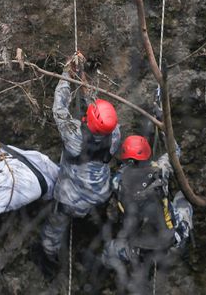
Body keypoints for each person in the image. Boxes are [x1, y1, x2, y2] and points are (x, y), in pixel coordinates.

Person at [38, 57, 122, 276]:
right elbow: (97, 113)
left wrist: (67, 73)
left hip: (70, 198)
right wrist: (82, 74)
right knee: (90, 214)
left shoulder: (74, 135)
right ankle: (95, 234)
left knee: (54, 228)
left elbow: (59, 108)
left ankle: (48, 258)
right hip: (99, 193)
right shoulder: (115, 136)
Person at [102, 135, 193, 294]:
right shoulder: (161, 169)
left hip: (136, 248)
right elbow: (175, 149)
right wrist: (163, 124)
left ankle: (109, 273)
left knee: (108, 251)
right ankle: (182, 250)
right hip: (169, 240)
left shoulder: (117, 181)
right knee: (183, 200)